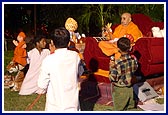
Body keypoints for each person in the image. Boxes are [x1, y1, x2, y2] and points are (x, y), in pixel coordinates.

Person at [37, 27, 82, 111]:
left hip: (54, 107)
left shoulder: (48, 60)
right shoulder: (75, 56)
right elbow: (80, 73)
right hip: (72, 107)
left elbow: (41, 84)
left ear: (52, 43)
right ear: (69, 43)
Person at [109, 37, 138, 111]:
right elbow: (135, 68)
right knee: (130, 108)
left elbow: (112, 78)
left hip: (120, 90)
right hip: (130, 89)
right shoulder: (133, 59)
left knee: (119, 109)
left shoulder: (117, 63)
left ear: (118, 49)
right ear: (130, 47)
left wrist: (111, 67)